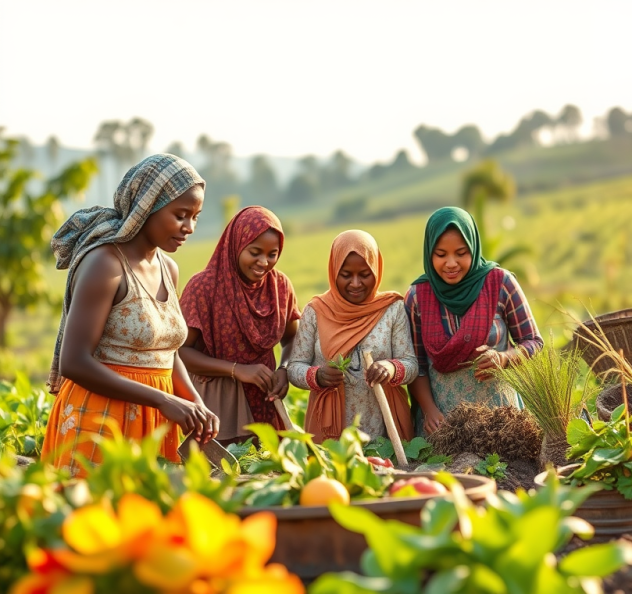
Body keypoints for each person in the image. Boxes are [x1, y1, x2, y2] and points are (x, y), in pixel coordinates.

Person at [42, 154, 219, 477]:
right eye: (180, 215)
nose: (189, 227)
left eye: (195, 216)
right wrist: (163, 400)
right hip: (101, 419)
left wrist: (195, 403)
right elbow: (75, 361)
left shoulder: (168, 268)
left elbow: (165, 351)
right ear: (146, 206)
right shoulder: (105, 264)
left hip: (155, 423)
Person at [404, 206, 543, 436]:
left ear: (474, 247)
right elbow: (415, 364)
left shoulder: (501, 283)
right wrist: (428, 410)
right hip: (442, 425)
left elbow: (533, 342)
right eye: (441, 254)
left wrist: (504, 358)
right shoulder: (417, 297)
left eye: (461, 253)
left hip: (501, 421)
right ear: (429, 252)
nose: (451, 263)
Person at [179, 206, 300, 443]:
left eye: (272, 254)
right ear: (235, 245)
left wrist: (284, 369)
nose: (263, 262)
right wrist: (237, 370)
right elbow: (180, 353)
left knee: (265, 471)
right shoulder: (203, 288)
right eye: (254, 252)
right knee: (219, 474)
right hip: (215, 404)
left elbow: (293, 338)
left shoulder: (280, 287)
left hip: (264, 401)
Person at [287, 230, 418, 443]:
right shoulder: (316, 311)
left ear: (376, 270)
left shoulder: (392, 309)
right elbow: (294, 368)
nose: (355, 284)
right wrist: (318, 376)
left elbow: (411, 365)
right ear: (333, 271)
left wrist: (391, 368)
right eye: (346, 275)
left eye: (364, 275)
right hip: (330, 432)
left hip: (383, 429)